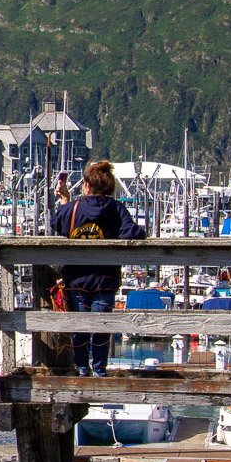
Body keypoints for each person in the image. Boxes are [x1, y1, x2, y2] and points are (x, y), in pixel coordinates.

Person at [51, 160, 145, 377]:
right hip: (105, 279)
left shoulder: (73, 209)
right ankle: (100, 370)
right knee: (101, 328)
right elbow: (132, 232)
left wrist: (65, 200)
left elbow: (57, 223)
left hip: (76, 280)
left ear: (86, 185)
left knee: (80, 329)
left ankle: (82, 369)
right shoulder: (115, 209)